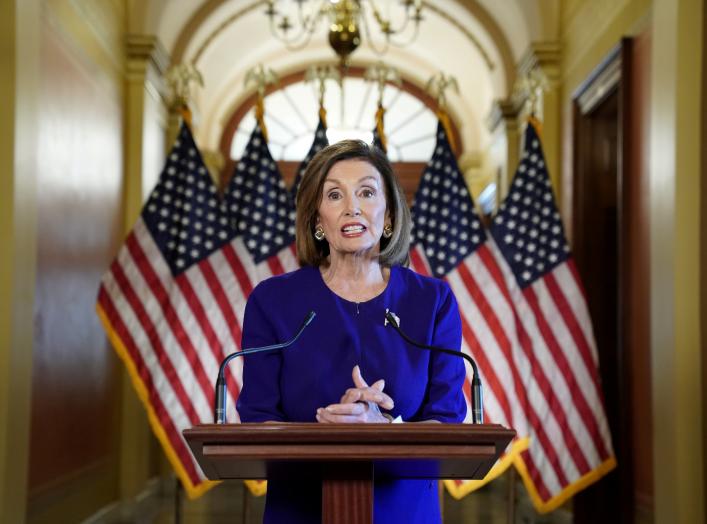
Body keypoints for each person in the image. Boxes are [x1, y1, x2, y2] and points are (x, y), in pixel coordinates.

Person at [236, 140, 467, 523]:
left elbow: (447, 420)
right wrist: (323, 435)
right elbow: (258, 418)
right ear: (317, 220)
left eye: (366, 192)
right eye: (334, 194)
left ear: (389, 215)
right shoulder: (272, 301)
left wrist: (384, 430)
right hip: (299, 510)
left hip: (405, 512)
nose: (352, 207)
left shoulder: (433, 302)